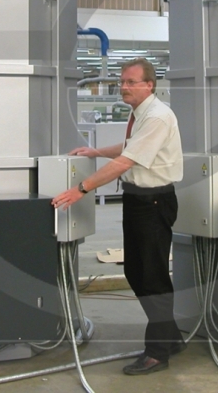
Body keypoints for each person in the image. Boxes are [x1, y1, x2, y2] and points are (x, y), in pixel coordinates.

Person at [52, 57, 185, 376]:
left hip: (154, 202)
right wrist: (95, 152)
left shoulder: (158, 117)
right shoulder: (140, 113)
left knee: (152, 277)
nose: (124, 87)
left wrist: (81, 188)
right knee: (135, 271)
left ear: (149, 85)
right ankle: (171, 338)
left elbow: (126, 161)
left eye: (131, 82)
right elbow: (129, 147)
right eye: (122, 81)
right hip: (138, 200)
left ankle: (157, 353)